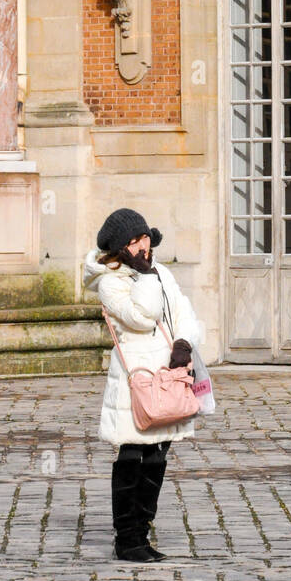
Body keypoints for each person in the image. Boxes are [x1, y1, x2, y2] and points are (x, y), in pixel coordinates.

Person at [84, 208, 202, 562]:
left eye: (144, 238)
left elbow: (183, 311)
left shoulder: (160, 272)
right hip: (136, 380)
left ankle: (143, 531)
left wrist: (184, 342)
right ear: (121, 248)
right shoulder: (112, 281)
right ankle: (127, 538)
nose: (143, 246)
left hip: (168, 374)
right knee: (132, 453)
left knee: (158, 454)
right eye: (135, 242)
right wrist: (145, 275)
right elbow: (142, 316)